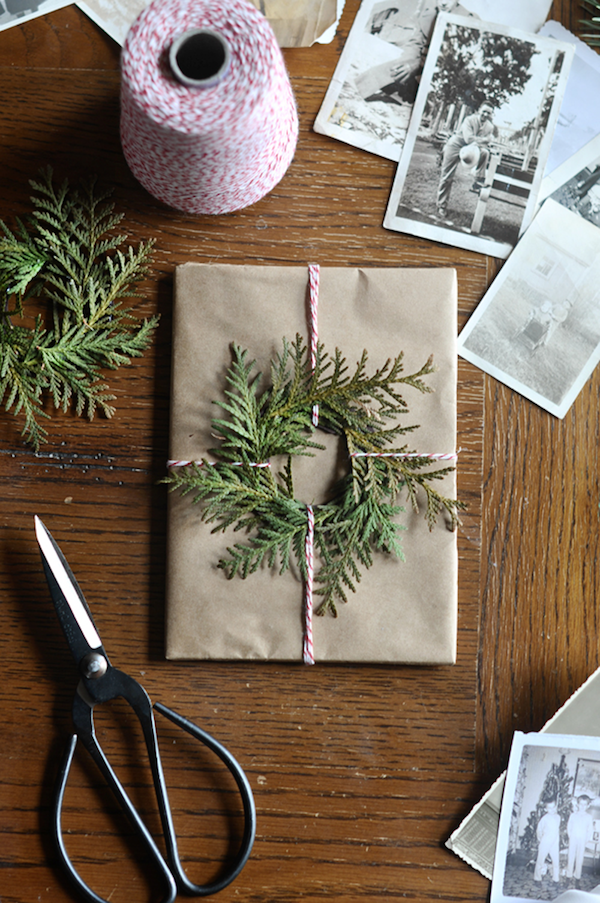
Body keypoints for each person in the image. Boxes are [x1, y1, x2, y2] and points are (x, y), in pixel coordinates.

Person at [362, 0, 476, 106]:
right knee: (380, 76)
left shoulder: (468, 20)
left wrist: (416, 65)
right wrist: (407, 63)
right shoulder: (430, 13)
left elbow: (452, 58)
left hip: (446, 76)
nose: (444, 3)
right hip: (422, 65)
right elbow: (415, 44)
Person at [436, 101, 496, 220]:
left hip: (471, 150)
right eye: (484, 111)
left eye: (488, 113)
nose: (485, 114)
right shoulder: (469, 120)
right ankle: (441, 205)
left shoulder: (490, 127)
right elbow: (468, 139)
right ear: (479, 110)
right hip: (456, 146)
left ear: (491, 114)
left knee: (485, 152)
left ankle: (478, 181)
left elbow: (483, 146)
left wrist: (485, 141)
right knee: (447, 176)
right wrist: (485, 139)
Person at [567, 795, 593, 885]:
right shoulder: (573, 815)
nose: (582, 806)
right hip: (573, 838)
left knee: (580, 858)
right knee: (571, 856)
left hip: (582, 839)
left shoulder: (589, 817)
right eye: (580, 804)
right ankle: (569, 875)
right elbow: (569, 827)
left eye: (584, 805)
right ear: (577, 804)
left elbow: (590, 830)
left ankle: (577, 876)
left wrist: (586, 840)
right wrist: (571, 836)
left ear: (588, 806)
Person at [534, 800, 561, 885]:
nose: (552, 809)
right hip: (545, 841)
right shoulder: (544, 818)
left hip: (555, 842)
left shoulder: (558, 817)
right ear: (546, 809)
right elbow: (539, 830)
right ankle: (537, 878)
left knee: (556, 861)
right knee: (540, 860)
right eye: (550, 808)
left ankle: (556, 879)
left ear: (556, 806)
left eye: (554, 807)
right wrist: (541, 840)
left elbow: (557, 829)